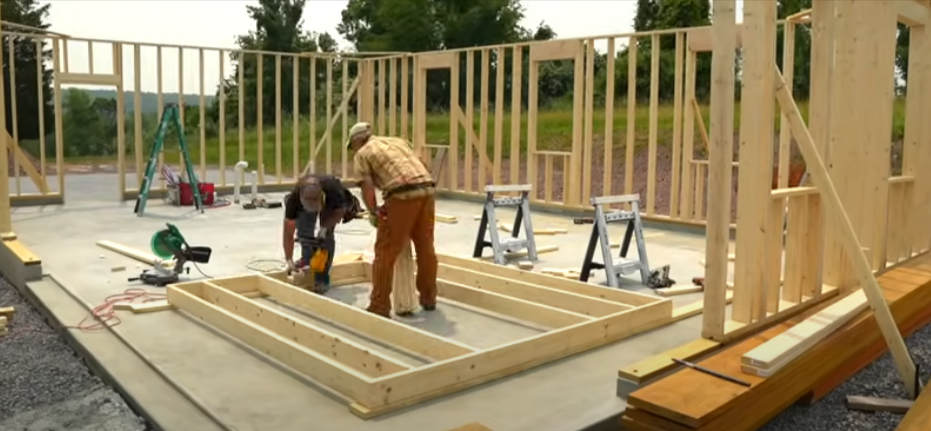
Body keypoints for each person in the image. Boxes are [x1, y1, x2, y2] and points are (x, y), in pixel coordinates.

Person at [346, 122, 438, 318]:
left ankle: (379, 305)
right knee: (425, 247)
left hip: (401, 194)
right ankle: (429, 298)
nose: (353, 150)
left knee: (385, 252)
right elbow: (420, 164)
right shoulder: (397, 142)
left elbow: (367, 186)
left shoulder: (362, 154)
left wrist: (373, 211)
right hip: (427, 190)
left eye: (352, 145)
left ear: (357, 141)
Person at [283, 174, 359, 293]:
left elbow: (339, 211)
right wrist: (289, 259)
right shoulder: (294, 200)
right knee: (303, 231)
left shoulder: (333, 191)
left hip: (331, 204)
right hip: (310, 201)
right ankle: (307, 259)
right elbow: (288, 234)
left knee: (326, 239)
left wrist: (324, 228)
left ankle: (322, 279)